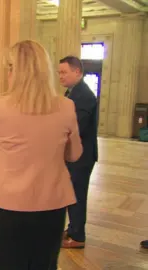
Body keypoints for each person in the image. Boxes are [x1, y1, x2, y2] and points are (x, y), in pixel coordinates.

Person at [0, 40, 82, 269]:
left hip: (9, 207)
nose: (8, 74)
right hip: (52, 205)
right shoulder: (66, 106)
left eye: (10, 68)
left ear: (17, 71)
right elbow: (74, 154)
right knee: (43, 264)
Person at [59, 56, 98, 249]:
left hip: (81, 157)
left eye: (64, 72)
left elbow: (76, 127)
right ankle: (73, 228)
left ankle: (78, 236)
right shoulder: (73, 92)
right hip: (75, 155)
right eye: (59, 72)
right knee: (72, 193)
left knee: (77, 195)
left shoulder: (85, 96)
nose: (60, 76)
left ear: (77, 71)